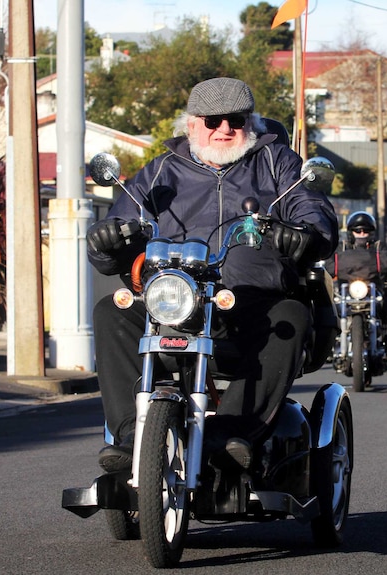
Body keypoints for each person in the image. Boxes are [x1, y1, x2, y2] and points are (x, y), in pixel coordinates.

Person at [86, 77, 339, 472]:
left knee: (291, 316)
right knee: (111, 311)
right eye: (213, 120)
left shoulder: (277, 162)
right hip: (175, 303)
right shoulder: (161, 172)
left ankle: (231, 433)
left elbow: (314, 215)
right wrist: (106, 240)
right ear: (191, 125)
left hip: (252, 304)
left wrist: (303, 235)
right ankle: (133, 436)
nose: (225, 129)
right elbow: (120, 226)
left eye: (235, 119)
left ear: (250, 123)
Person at [325, 211, 387, 357]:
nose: (362, 233)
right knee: (326, 309)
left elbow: (385, 263)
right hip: (345, 291)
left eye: (366, 231)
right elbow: (330, 265)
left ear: (372, 233)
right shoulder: (342, 247)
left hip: (373, 290)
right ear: (351, 232)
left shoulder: (379, 247)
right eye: (358, 230)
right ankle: (325, 347)